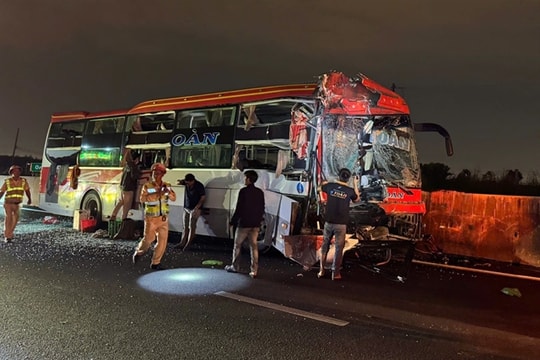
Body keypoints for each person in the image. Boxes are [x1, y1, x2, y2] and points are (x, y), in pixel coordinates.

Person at [318, 168, 360, 280]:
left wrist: (326, 182)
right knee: (338, 249)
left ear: (339, 176)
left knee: (325, 246)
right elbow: (357, 199)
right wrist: (355, 184)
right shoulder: (349, 191)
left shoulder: (330, 187)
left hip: (328, 222)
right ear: (348, 178)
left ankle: (321, 270)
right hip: (341, 225)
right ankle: (335, 273)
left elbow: (321, 186)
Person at [132, 163, 176, 270]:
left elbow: (173, 198)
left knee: (162, 242)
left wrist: (168, 192)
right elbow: (143, 198)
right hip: (151, 219)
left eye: (158, 173)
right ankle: (139, 252)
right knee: (148, 239)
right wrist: (158, 192)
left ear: (162, 174)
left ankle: (156, 263)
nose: (155, 175)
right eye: (154, 173)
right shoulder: (147, 186)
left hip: (163, 218)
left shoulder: (167, 185)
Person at [225, 170, 265, 278]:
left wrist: (233, 221)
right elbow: (262, 208)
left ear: (248, 179)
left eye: (245, 178)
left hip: (244, 223)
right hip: (255, 224)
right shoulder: (259, 192)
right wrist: (259, 221)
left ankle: (235, 266)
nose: (244, 180)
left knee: (237, 245)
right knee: (254, 246)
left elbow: (239, 208)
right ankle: (254, 270)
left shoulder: (243, 191)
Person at [0, 165, 32, 243]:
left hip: (17, 204)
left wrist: (29, 199)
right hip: (8, 203)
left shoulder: (24, 181)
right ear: (11, 173)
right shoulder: (7, 181)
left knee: (15, 220)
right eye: (14, 171)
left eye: (17, 171)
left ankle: (9, 233)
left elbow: (27, 191)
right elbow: (2, 192)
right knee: (9, 219)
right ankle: (8, 236)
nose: (16, 172)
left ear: (20, 172)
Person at [175, 173, 206, 251]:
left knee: (192, 227)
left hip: (195, 208)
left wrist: (197, 207)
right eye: (186, 182)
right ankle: (182, 242)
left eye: (189, 182)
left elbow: (203, 198)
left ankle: (188, 244)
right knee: (185, 226)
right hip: (187, 207)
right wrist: (181, 181)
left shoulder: (199, 186)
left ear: (193, 181)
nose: (188, 184)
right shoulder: (186, 183)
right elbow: (178, 182)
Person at [111, 149, 141, 221]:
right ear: (136, 159)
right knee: (126, 209)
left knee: (121, 202)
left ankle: (113, 216)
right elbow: (135, 176)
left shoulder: (127, 165)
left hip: (123, 188)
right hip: (129, 189)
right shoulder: (133, 166)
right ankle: (124, 224)